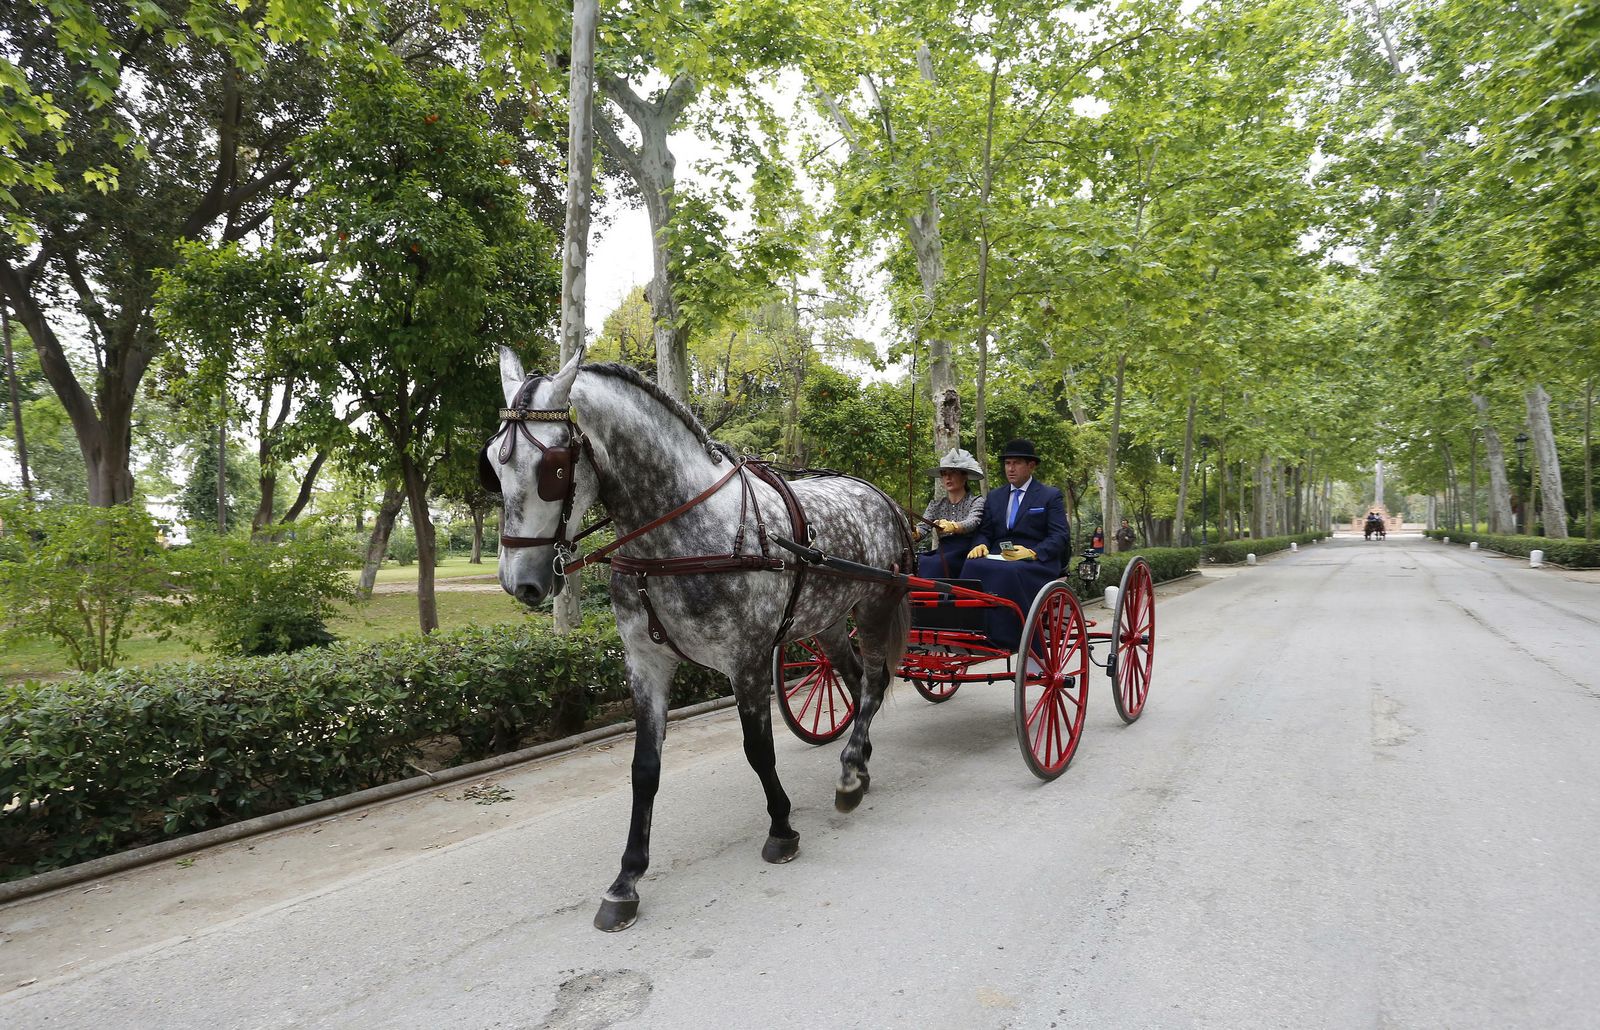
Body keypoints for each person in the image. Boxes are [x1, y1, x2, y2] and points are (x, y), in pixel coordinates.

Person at [962, 439, 1071, 650]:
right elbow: (985, 532)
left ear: (1031, 466)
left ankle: (1015, 638)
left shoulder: (1050, 496)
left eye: (1016, 463)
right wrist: (981, 544)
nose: (1010, 468)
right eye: (1007, 463)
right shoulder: (995, 496)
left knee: (1011, 572)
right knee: (971, 565)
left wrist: (1033, 552)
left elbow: (1059, 535)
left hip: (1036, 561)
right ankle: (972, 631)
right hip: (998, 556)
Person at [914, 448, 985, 578]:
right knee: (922, 561)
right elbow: (923, 527)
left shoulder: (976, 501)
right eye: (944, 473)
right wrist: (915, 532)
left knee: (936, 564)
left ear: (964, 476)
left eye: (953, 473)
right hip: (943, 551)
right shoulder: (936, 504)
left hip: (966, 552)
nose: (948, 477)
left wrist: (953, 526)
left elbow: (973, 522)